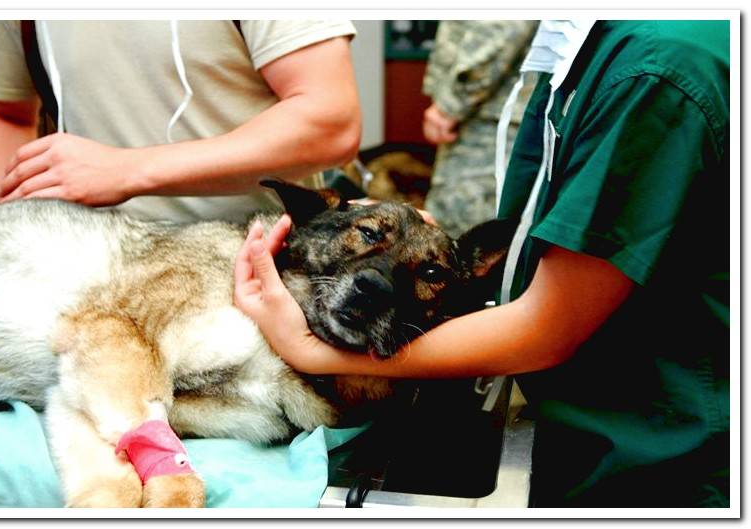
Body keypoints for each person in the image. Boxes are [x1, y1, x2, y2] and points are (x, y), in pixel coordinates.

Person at [234, 19, 730, 508]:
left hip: (657, 459)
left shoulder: (655, 72)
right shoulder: (587, 41)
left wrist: (308, 349)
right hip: (593, 422)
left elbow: (549, 325)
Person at [0, 20, 361, 223]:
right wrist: (10, 232)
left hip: (257, 274)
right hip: (89, 274)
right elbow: (1, 110)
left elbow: (330, 120)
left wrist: (126, 169)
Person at [421, 20, 536, 238]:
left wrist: (451, 104)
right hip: (492, 111)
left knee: (461, 229)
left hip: (491, 116)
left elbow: (500, 27)